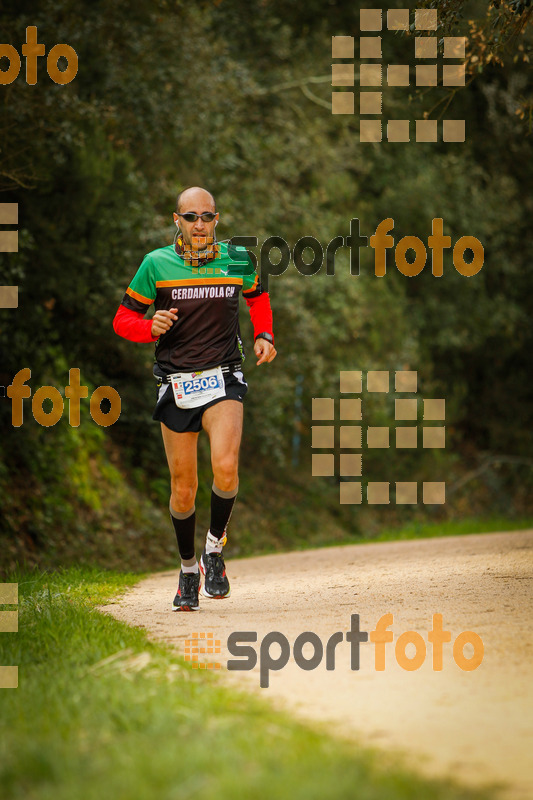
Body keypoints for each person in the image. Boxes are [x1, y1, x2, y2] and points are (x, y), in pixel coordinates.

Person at [113, 187, 276, 611]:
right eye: (191, 217)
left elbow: (258, 297)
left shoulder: (237, 258)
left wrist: (264, 334)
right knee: (183, 490)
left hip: (224, 377)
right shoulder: (156, 264)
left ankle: (214, 551)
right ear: (177, 220)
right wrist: (148, 326)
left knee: (225, 467)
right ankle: (189, 570)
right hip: (176, 382)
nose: (199, 224)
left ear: (217, 219)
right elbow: (123, 319)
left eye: (206, 216)